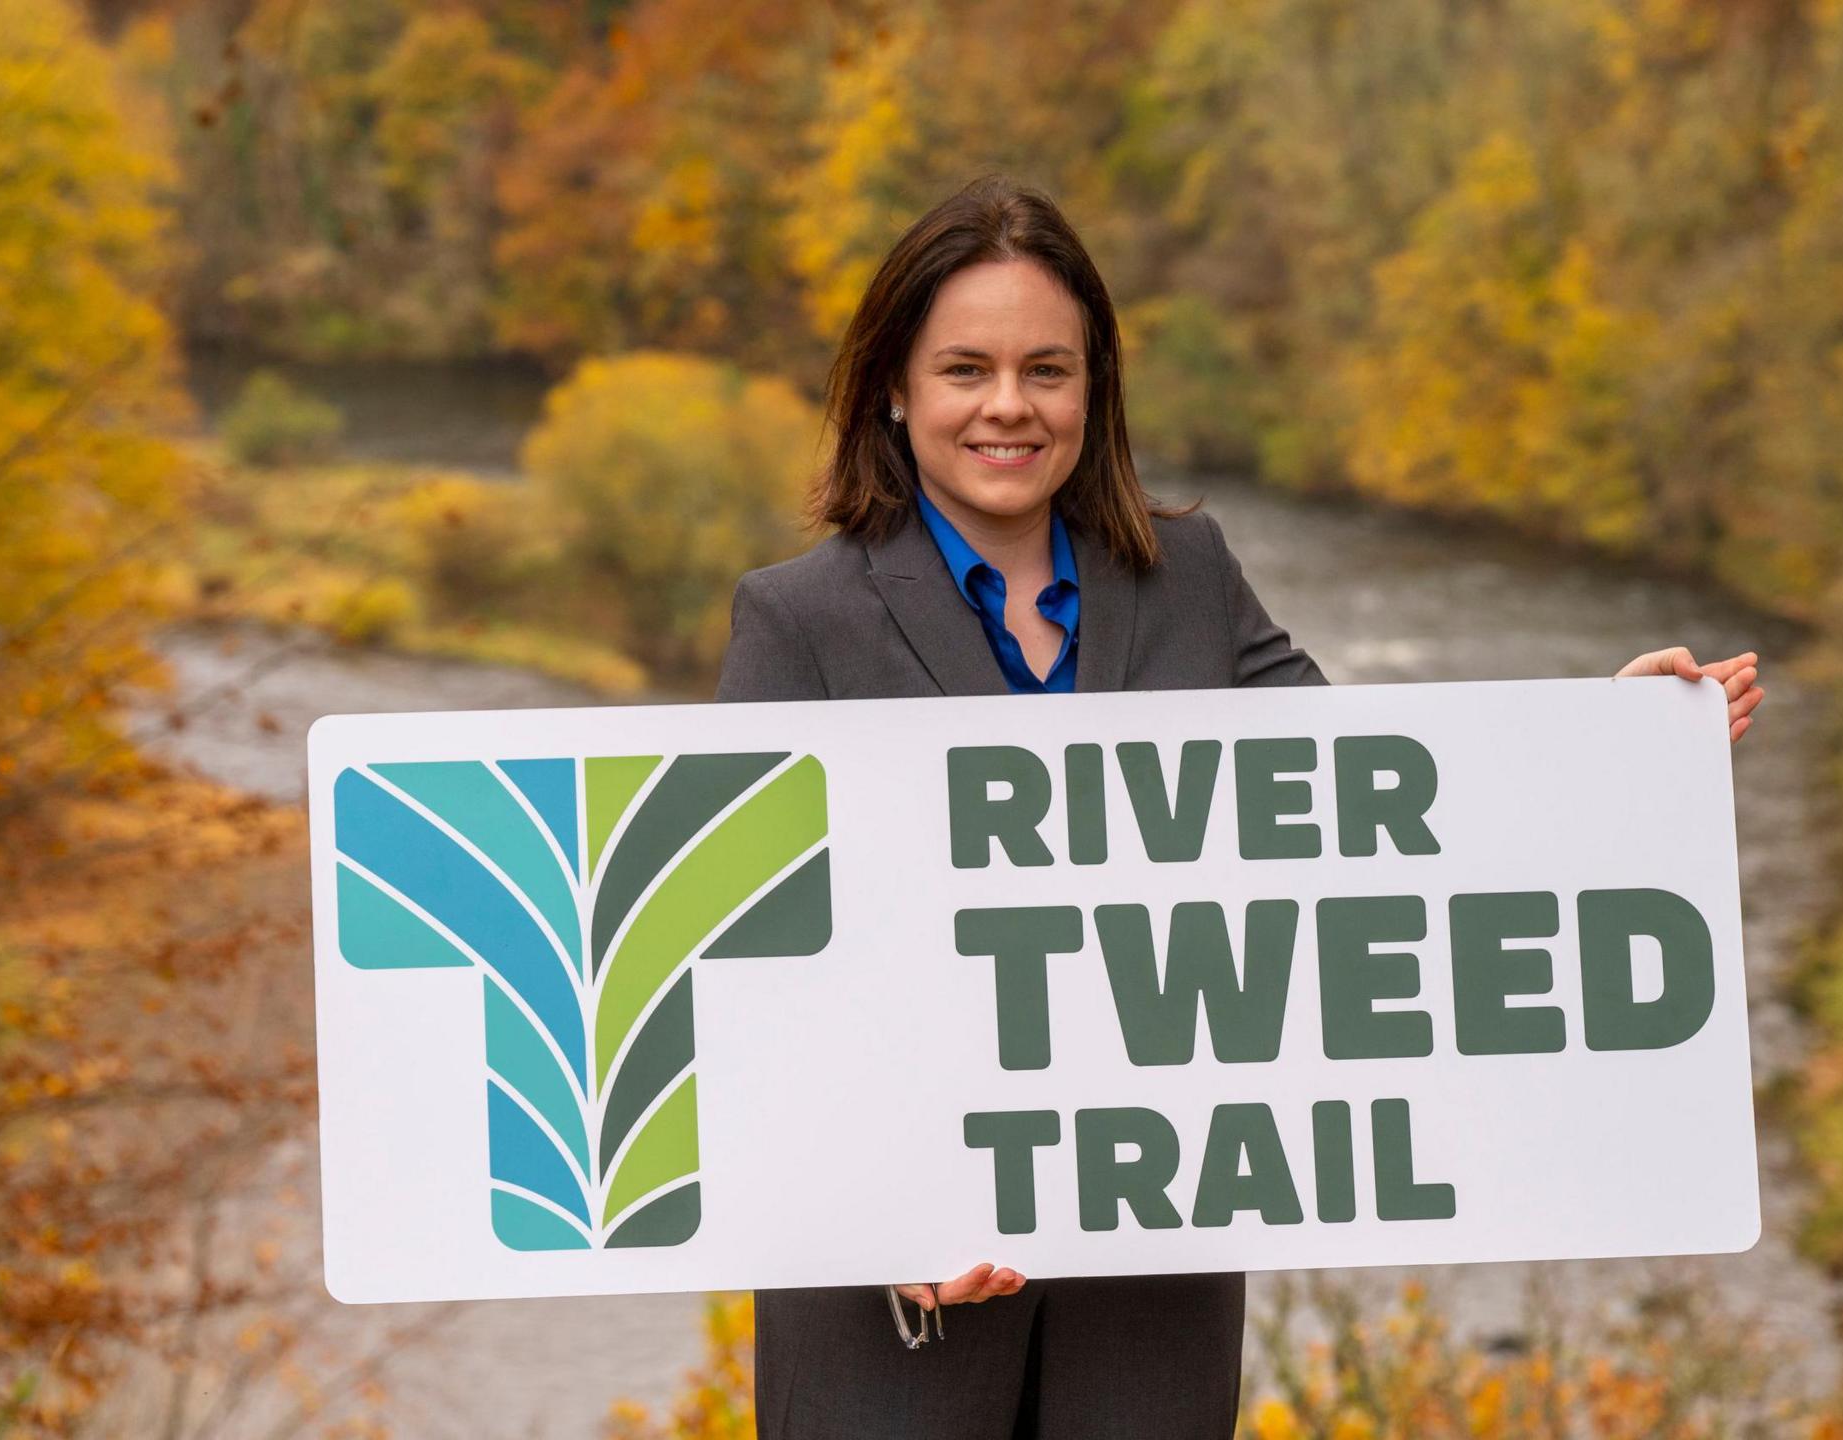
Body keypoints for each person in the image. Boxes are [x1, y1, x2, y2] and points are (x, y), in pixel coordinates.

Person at [712, 174, 1766, 1439]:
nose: (1008, 406)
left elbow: (1371, 805)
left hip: (1152, 1285)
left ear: (1093, 387)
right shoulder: (799, 618)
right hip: (898, 1297)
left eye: (1047, 369)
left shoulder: (1186, 577)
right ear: (892, 387)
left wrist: (1600, 743)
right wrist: (871, 1216)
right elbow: (750, 971)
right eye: (964, 370)